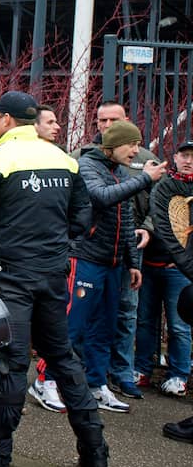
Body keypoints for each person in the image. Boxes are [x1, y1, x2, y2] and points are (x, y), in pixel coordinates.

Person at [0, 90, 110, 467]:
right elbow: (83, 218)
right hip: (53, 275)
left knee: (10, 363)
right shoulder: (64, 159)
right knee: (64, 359)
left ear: (3, 120)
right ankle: (96, 457)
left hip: (9, 279)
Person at [59, 120, 162, 413]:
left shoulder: (119, 172)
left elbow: (126, 219)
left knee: (104, 329)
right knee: (72, 325)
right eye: (131, 144)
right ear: (114, 145)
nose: (136, 150)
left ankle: (96, 384)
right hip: (86, 257)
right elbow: (100, 198)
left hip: (113, 263)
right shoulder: (89, 166)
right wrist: (144, 180)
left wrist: (131, 262)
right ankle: (48, 381)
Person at [136, 139, 193, 397]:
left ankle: (179, 375)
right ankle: (142, 369)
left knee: (179, 324)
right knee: (145, 320)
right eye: (184, 155)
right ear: (176, 157)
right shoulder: (160, 184)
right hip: (149, 263)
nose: (188, 160)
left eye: (192, 156)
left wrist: (183, 259)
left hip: (178, 270)